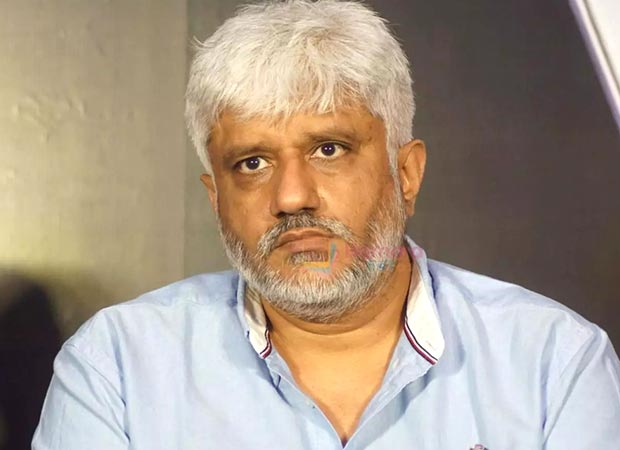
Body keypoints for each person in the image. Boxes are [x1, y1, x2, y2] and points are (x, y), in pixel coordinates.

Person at [32, 1, 620, 449]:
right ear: (216, 199)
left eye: (329, 149)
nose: (292, 197)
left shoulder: (554, 365)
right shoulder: (118, 369)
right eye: (252, 163)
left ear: (406, 173)